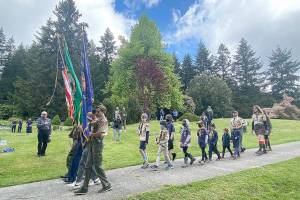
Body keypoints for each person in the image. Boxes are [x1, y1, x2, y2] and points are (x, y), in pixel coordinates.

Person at [75, 104, 112, 195]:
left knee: (97, 166)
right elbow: (91, 123)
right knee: (88, 166)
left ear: (103, 111)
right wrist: (82, 127)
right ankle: (84, 188)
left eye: (98, 111)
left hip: (97, 145)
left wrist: (91, 134)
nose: (96, 113)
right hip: (92, 144)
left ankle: (106, 185)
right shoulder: (98, 120)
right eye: (96, 111)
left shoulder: (104, 121)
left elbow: (101, 133)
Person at [69, 112, 100, 188]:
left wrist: (82, 130)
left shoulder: (96, 124)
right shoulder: (89, 124)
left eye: (88, 117)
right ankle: (96, 179)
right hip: (87, 146)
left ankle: (78, 182)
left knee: (82, 163)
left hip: (92, 146)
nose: (86, 118)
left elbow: (91, 135)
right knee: (87, 163)